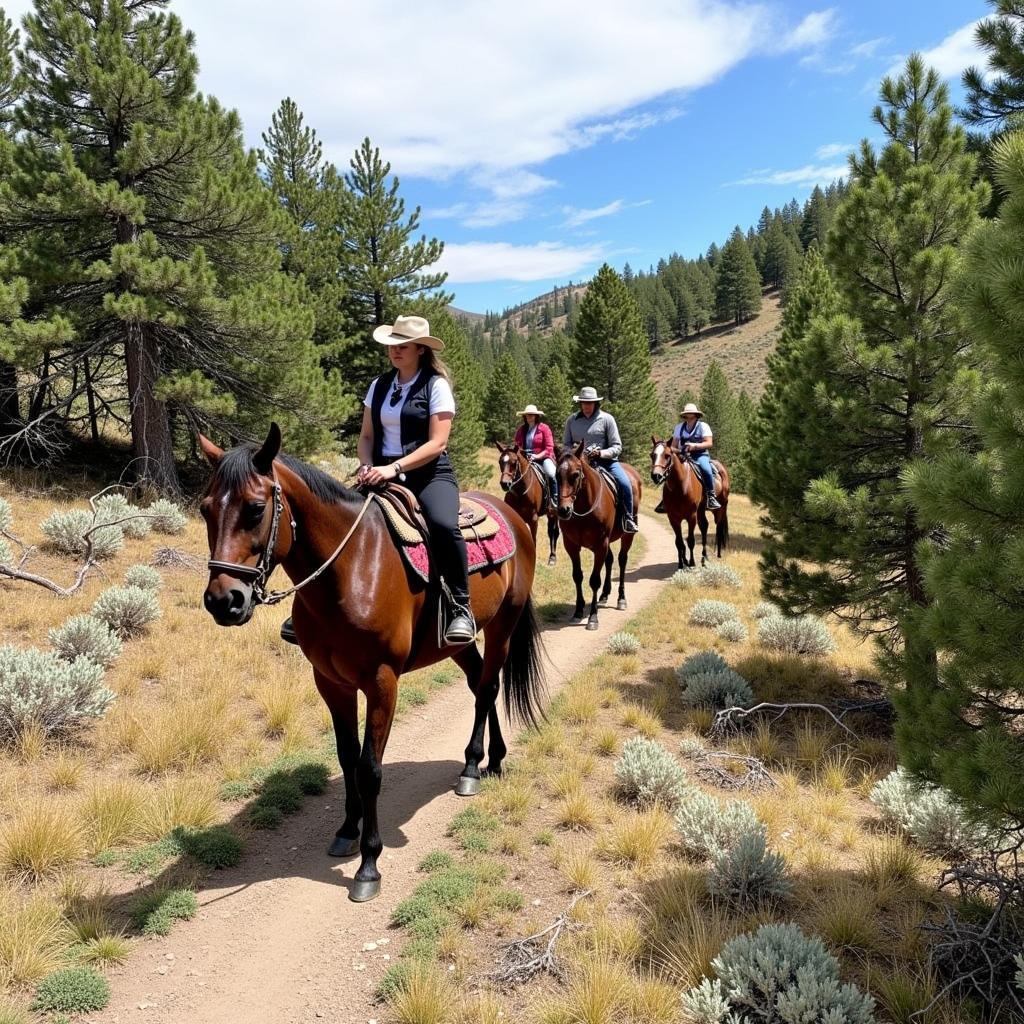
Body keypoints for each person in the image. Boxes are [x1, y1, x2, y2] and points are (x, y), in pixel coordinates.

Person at [280, 314, 475, 648]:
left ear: (420, 350)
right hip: (379, 472)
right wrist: (368, 464)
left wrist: (394, 468)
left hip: (429, 474)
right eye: (392, 345)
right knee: (329, 522)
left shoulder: (435, 385)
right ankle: (308, 608)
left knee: (443, 525)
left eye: (403, 345)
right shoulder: (380, 385)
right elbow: (367, 435)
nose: (395, 351)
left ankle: (460, 605)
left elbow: (437, 443)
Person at [563, 386, 638, 533]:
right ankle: (558, 509)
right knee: (561, 479)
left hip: (606, 463)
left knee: (625, 483)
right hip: (578, 464)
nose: (586, 406)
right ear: (580, 403)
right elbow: (566, 444)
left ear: (596, 403)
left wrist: (601, 453)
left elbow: (617, 446)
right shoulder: (571, 420)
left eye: (589, 403)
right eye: (584, 403)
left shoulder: (607, 419)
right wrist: (573, 451)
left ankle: (628, 518)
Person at [656, 401, 720, 512]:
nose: (688, 416)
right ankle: (664, 500)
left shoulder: (703, 426)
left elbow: (709, 443)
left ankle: (711, 496)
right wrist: (678, 450)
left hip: (700, 455)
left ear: (695, 414)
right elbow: (674, 446)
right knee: (669, 471)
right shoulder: (679, 427)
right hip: (682, 455)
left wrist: (694, 446)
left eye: (691, 413)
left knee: (706, 469)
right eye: (687, 413)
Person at [513, 404, 558, 506]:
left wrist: (537, 456)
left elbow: (549, 448)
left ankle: (554, 500)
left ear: (536, 416)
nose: (529, 417)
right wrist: (522, 454)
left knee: (551, 473)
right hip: (525, 458)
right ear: (524, 416)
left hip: (543, 458)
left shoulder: (544, 428)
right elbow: (517, 445)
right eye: (527, 415)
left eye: (532, 415)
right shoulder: (521, 430)